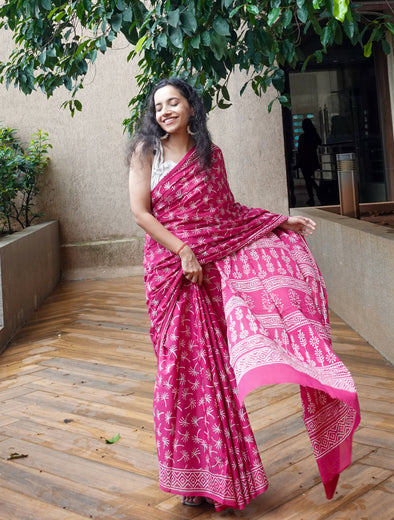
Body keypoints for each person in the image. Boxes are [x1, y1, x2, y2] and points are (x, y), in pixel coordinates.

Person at [128, 78, 360, 512]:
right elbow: (140, 212)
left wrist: (276, 223)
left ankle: (223, 475)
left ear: (191, 107)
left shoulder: (210, 156)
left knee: (212, 371)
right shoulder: (147, 152)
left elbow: (227, 214)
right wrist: (183, 251)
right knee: (179, 372)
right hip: (170, 274)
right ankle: (190, 478)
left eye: (173, 102)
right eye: (158, 105)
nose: (165, 111)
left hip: (208, 274)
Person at [297, 118, 322, 206]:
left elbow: (300, 151)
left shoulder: (302, 137)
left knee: (308, 179)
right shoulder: (314, 136)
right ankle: (317, 191)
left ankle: (312, 196)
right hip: (313, 160)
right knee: (310, 178)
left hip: (305, 161)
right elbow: (320, 143)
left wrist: (298, 163)